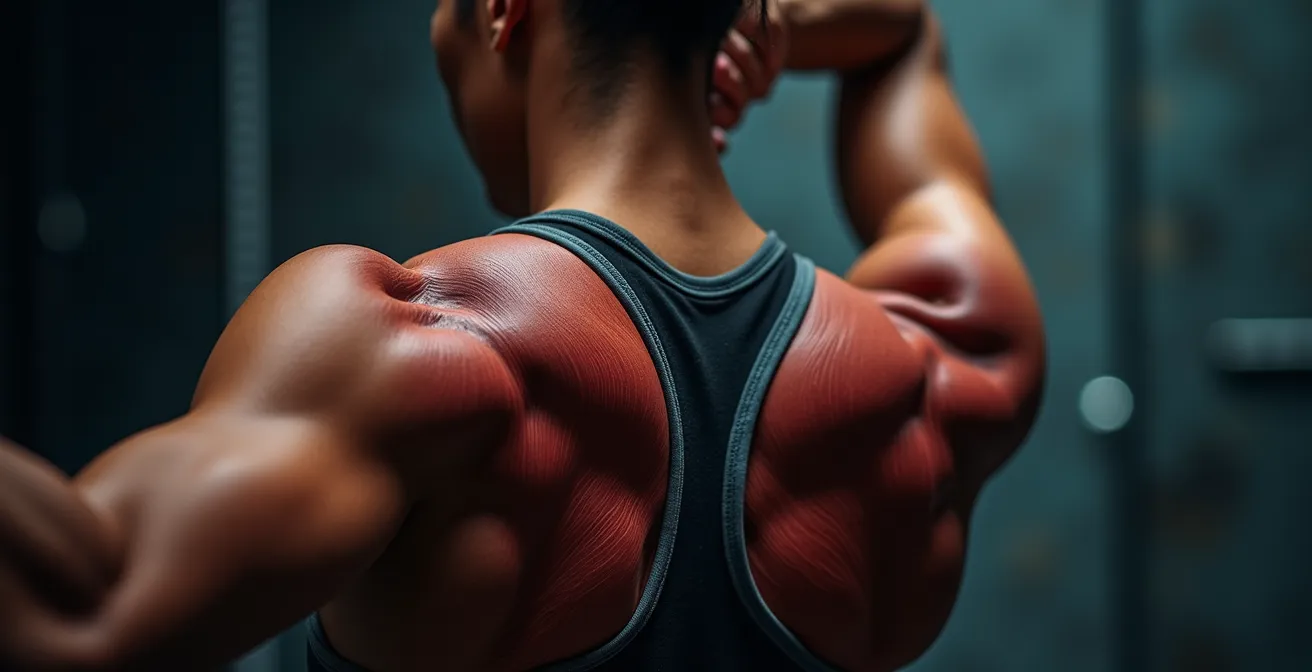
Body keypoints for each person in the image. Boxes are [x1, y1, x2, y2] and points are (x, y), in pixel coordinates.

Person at [0, 0, 1045, 669]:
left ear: (504, 11)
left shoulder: (413, 349)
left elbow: (74, 611)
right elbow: (904, 30)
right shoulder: (944, 363)